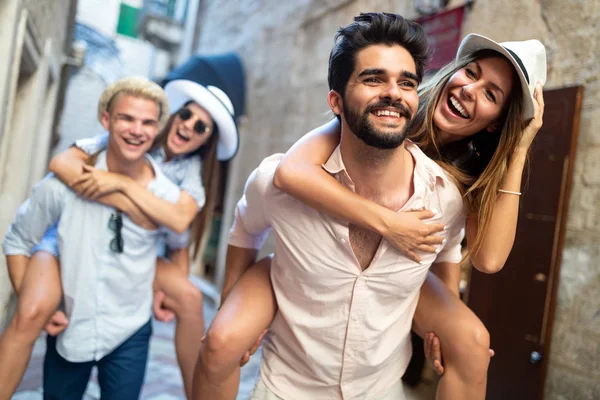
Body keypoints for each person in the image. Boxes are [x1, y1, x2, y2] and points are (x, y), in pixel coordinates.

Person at [195, 19, 546, 400]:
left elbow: (468, 254)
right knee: (223, 340)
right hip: (330, 254)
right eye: (470, 72)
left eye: (491, 94)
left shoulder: (461, 181)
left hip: (401, 271)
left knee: (472, 341)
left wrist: (520, 147)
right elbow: (289, 173)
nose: (469, 89)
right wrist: (390, 223)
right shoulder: (383, 114)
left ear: (498, 123)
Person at [0, 78, 238, 399]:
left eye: (202, 128)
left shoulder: (188, 174)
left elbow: (179, 225)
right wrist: (117, 192)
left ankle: (195, 392)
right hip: (66, 238)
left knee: (190, 298)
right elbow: (60, 165)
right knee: (31, 310)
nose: (189, 127)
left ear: (207, 141)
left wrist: (122, 188)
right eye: (186, 116)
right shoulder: (121, 138)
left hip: (139, 248)